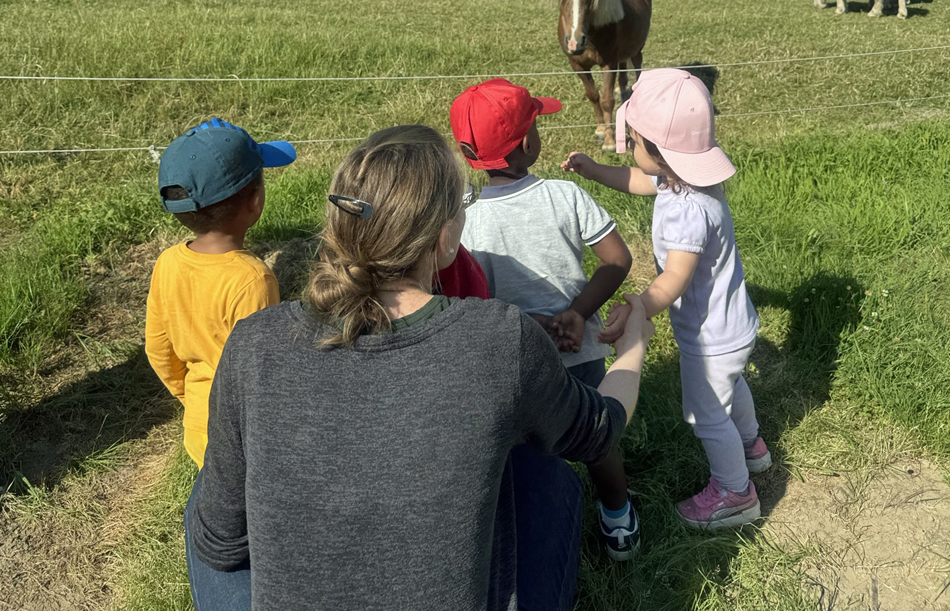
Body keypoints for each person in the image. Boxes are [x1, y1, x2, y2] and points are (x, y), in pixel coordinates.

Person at [187, 125, 654, 611]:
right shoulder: (498, 339)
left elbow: (221, 545)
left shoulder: (253, 342)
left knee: (208, 489)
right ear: (445, 234)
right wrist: (634, 340)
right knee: (544, 469)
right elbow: (601, 427)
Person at [562, 68, 771, 530]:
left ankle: (736, 493)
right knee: (732, 385)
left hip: (710, 335)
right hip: (733, 324)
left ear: (658, 151)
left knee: (707, 414)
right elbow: (642, 179)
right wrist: (595, 171)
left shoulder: (684, 210)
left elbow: (674, 277)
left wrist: (640, 305)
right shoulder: (688, 180)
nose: (632, 153)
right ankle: (753, 447)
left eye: (634, 142)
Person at [449, 78, 640, 560]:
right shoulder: (563, 195)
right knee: (596, 437)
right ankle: (618, 521)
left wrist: (523, 323)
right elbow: (617, 260)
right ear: (528, 143)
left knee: (516, 446)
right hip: (581, 351)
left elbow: (463, 296)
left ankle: (523, 530)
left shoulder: (462, 219)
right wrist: (577, 314)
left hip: (508, 359)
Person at [145, 118, 297, 468]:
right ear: (255, 202)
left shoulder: (167, 263)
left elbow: (158, 349)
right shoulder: (253, 279)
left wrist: (189, 397)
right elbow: (260, 371)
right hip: (243, 433)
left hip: (199, 425)